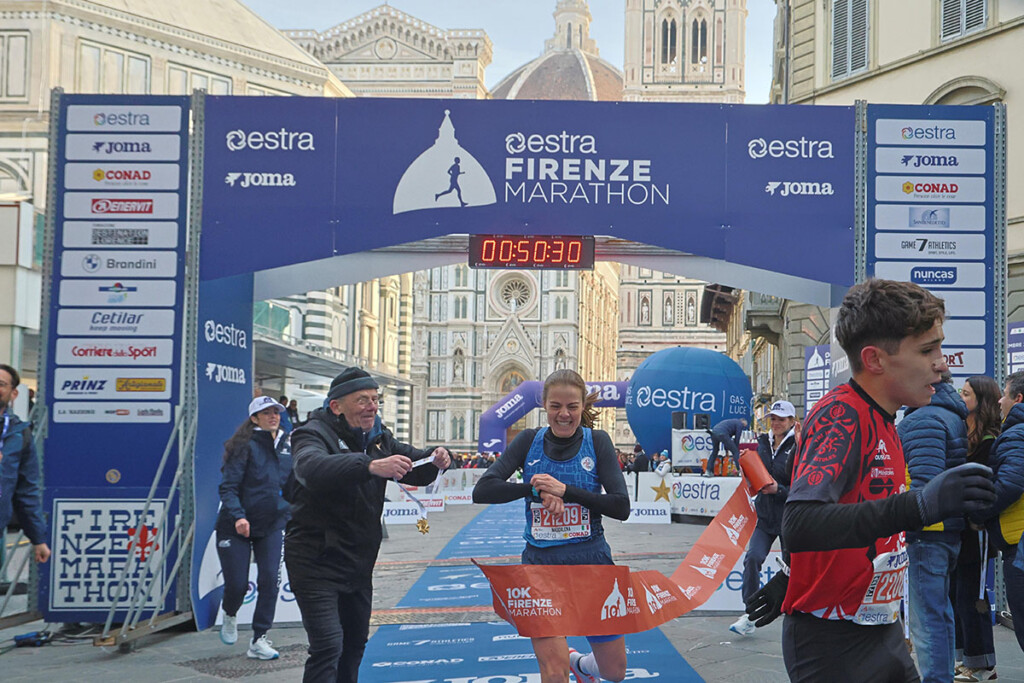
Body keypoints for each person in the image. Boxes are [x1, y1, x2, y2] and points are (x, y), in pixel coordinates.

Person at [744, 279, 996, 682]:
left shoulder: (885, 418)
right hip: (833, 644)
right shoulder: (841, 416)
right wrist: (920, 505)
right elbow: (800, 522)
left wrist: (792, 574)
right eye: (928, 350)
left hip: (879, 629)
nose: (943, 363)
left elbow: (840, 511)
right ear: (875, 359)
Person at [285, 367, 450, 682]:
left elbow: (415, 466)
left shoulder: (379, 437)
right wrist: (370, 466)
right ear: (336, 406)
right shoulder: (312, 433)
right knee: (327, 646)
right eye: (363, 400)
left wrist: (438, 457)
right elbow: (311, 468)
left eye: (375, 399)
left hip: (358, 565)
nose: (372, 407)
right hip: (314, 562)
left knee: (354, 644)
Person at [473, 369, 631, 683]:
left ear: (583, 406)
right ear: (544, 405)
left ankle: (581, 664)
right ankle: (566, 665)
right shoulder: (528, 441)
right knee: (553, 673)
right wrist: (534, 489)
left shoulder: (597, 441)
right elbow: (483, 490)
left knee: (615, 672)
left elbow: (621, 506)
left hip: (592, 564)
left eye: (572, 406)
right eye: (556, 406)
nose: (564, 414)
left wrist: (566, 491)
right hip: (541, 568)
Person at [898, 371, 968, 683]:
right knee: (940, 613)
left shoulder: (924, 419)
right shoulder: (950, 415)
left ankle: (937, 679)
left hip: (927, 533)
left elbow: (924, 487)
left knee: (926, 620)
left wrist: (905, 522)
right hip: (946, 530)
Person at [217, 395, 293, 660]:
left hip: (271, 524)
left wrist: (292, 511)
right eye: (266, 412)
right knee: (237, 584)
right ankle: (230, 613)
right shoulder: (244, 445)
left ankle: (259, 639)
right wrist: (238, 516)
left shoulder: (287, 444)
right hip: (234, 525)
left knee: (270, 581)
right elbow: (228, 487)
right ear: (254, 418)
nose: (273, 416)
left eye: (276, 411)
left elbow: (294, 485)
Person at [730, 399, 797, 637]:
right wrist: (748, 476)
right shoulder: (762, 444)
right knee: (752, 558)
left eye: (781, 419)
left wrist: (778, 489)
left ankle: (796, 614)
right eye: (773, 419)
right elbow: (757, 478)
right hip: (765, 517)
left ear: (791, 421)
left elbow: (802, 487)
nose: (776, 423)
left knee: (795, 569)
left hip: (790, 518)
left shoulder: (799, 446)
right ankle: (749, 614)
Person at [953, 376, 1002, 682]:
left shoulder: (989, 440)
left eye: (967, 393)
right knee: (958, 596)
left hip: (975, 530)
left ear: (981, 400)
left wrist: (975, 515)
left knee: (971, 598)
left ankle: (981, 663)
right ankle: (967, 659)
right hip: (959, 527)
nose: (961, 396)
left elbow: (987, 486)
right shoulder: (963, 431)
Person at [976, 371, 1024, 655]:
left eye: (1004, 395)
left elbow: (1010, 483)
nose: (1000, 401)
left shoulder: (1017, 433)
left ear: (1018, 399)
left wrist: (979, 513)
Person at [0, 364, 50, 565]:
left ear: (13, 393)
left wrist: (38, 539)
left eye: (1, 384)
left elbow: (26, 491)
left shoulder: (20, 434)